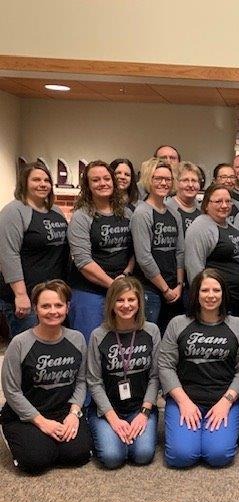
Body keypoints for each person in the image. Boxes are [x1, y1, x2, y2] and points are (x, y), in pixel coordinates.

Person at [159, 268, 239, 468]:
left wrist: (226, 402)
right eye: (205, 290)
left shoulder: (238, 325)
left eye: (216, 290)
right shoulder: (178, 324)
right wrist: (183, 402)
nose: (211, 295)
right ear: (196, 293)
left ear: (223, 294)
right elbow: (165, 366)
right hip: (185, 398)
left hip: (223, 399)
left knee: (218, 456)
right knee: (181, 457)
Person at [0, 280, 92, 474]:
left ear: (67, 307)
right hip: (27, 413)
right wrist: (41, 422)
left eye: (58, 305)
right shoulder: (20, 343)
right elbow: (11, 391)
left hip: (62, 410)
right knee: (36, 462)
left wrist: (74, 414)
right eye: (45, 306)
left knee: (78, 455)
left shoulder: (77, 339)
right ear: (35, 308)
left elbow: (81, 381)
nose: (53, 311)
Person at [86, 277, 160, 469]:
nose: (126, 305)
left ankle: (130, 434)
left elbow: (155, 377)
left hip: (140, 408)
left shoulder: (151, 331)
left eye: (131, 299)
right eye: (120, 300)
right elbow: (94, 381)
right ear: (111, 303)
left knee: (142, 455)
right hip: (108, 409)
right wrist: (113, 419)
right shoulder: (98, 335)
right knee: (112, 458)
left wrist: (144, 413)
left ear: (139, 302)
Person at [0, 162, 69, 339]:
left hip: (52, 295)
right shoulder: (13, 211)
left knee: (52, 344)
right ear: (24, 183)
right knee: (29, 346)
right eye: (36, 180)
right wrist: (20, 295)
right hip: (27, 297)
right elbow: (8, 254)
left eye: (46, 180)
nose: (43, 184)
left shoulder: (55, 211)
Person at [68, 160, 135, 341]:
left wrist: (126, 274)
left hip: (122, 287)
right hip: (89, 291)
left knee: (119, 343)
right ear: (87, 186)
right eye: (96, 180)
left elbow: (134, 251)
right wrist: (113, 285)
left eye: (106, 178)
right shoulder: (81, 217)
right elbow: (83, 262)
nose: (102, 183)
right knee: (89, 342)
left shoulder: (127, 213)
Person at [131, 158, 184, 332]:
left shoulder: (174, 214)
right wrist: (165, 289)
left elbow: (180, 251)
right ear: (149, 179)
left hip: (173, 289)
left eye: (168, 179)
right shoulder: (142, 213)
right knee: (149, 336)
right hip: (150, 289)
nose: (163, 183)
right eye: (158, 178)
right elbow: (144, 257)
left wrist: (179, 284)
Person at [184, 184, 239, 319]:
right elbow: (194, 268)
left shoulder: (226, 223)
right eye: (218, 201)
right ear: (206, 205)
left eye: (228, 201)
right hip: (218, 302)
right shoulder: (200, 227)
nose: (224, 205)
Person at [164, 161, 202, 235]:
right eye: (185, 180)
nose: (190, 185)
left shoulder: (203, 210)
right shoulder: (167, 209)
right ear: (176, 183)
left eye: (194, 181)